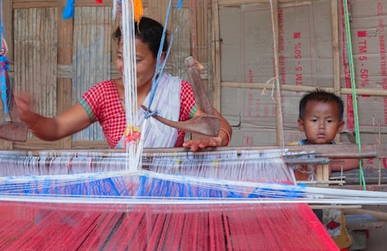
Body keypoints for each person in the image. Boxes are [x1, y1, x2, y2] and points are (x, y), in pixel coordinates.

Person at [15, 16, 232, 151]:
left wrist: (214, 140)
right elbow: (57, 128)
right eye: (120, 57)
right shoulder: (104, 94)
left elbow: (220, 126)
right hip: (122, 201)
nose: (124, 67)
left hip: (167, 200)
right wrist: (31, 118)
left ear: (161, 58)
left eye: (136, 60)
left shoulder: (178, 93)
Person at [294, 89, 358, 251]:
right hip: (299, 228)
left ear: (339, 126)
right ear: (302, 124)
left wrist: (328, 163)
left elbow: (356, 159)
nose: (321, 126)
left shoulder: (340, 151)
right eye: (314, 120)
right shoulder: (293, 150)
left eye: (329, 121)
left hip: (333, 229)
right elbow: (283, 162)